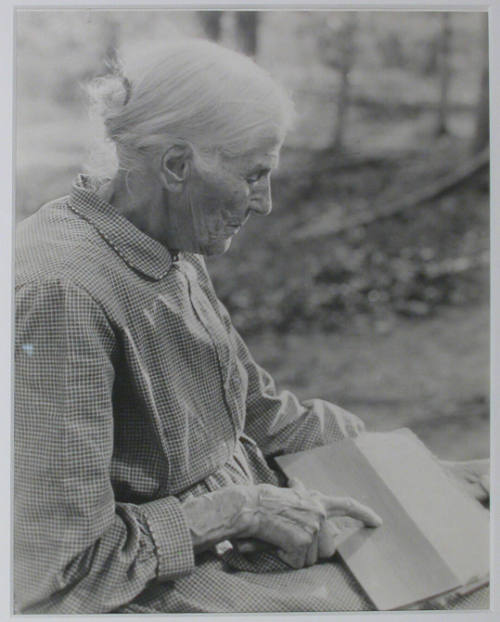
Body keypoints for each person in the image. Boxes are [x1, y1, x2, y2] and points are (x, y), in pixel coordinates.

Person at [14, 38, 489, 614]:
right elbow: (55, 571)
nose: (264, 203)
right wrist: (240, 510)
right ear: (176, 165)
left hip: (240, 536)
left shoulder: (168, 240)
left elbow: (257, 410)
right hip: (146, 584)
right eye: (254, 174)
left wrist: (419, 478)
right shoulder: (59, 293)